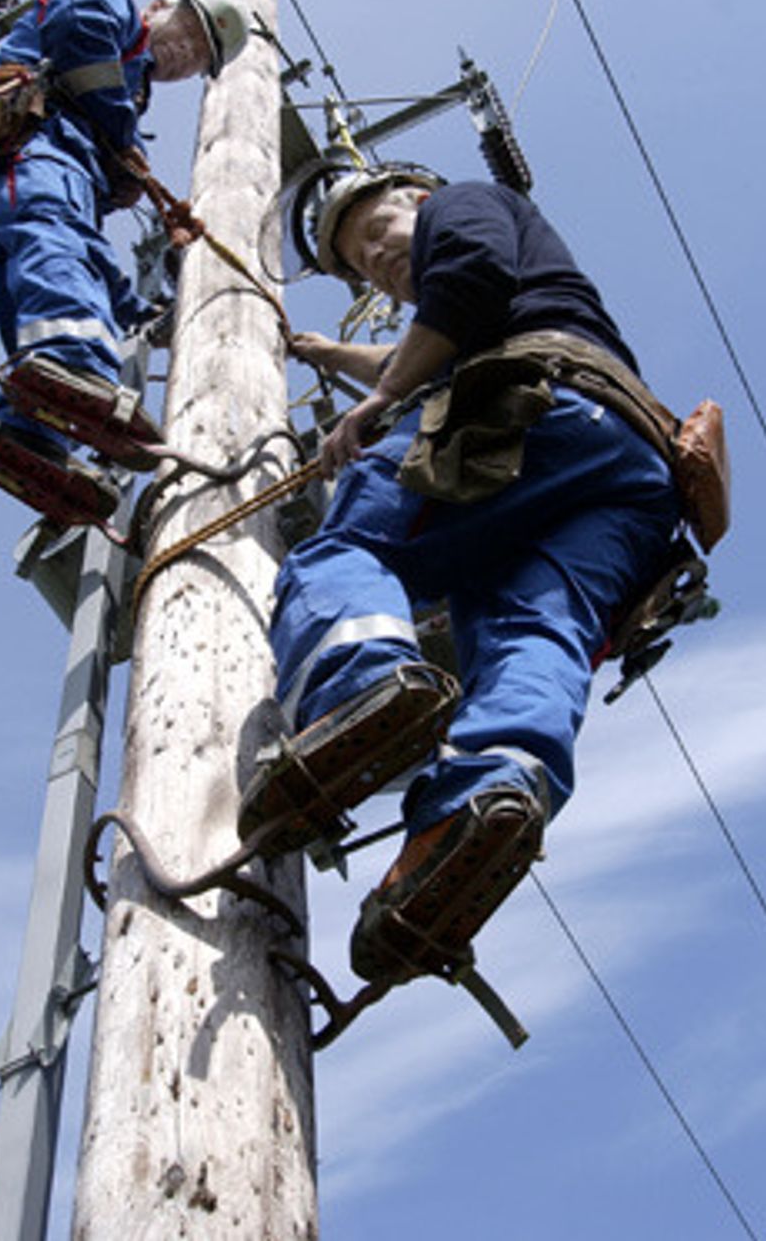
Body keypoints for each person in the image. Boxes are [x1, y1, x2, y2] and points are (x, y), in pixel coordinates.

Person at [238, 166, 683, 989]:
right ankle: (480, 804)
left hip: (522, 414)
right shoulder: (487, 303)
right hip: (627, 469)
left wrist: (381, 405)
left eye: (375, 234)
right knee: (532, 630)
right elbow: (440, 331)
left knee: (345, 554)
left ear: (414, 194)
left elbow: (469, 276)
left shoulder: (464, 204)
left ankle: (358, 687)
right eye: (362, 266)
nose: (376, 261)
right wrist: (332, 356)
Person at [0, 0, 250, 525]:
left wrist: (143, 314)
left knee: (35, 300)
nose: (185, 57)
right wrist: (125, 144)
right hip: (27, 144)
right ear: (164, 4)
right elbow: (78, 29)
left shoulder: (121, 95)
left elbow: (83, 252)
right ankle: (72, 362)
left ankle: (25, 432)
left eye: (197, 60)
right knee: (56, 256)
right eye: (189, 35)